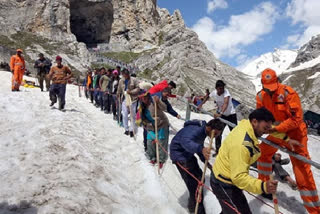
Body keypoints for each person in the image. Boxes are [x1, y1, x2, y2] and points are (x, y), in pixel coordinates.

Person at [256, 68, 320, 213]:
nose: (271, 92)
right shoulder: (260, 97)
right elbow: (259, 115)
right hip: (277, 133)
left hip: (295, 135)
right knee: (262, 153)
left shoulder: (288, 93)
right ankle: (265, 187)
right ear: (262, 85)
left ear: (277, 81)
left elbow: (296, 119)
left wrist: (276, 129)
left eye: (273, 88)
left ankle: (315, 210)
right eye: (268, 89)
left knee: (302, 173)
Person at [211, 108, 278, 214]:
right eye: (265, 128)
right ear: (255, 121)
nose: (266, 132)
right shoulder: (241, 145)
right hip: (224, 182)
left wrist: (287, 138)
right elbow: (238, 177)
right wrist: (263, 186)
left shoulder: (246, 125)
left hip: (228, 177)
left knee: (230, 209)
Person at [170, 119, 224, 214]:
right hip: (179, 156)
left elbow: (199, 146)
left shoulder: (203, 131)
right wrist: (201, 149)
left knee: (200, 177)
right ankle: (196, 209)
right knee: (193, 184)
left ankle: (194, 202)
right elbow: (186, 142)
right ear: (210, 128)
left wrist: (206, 162)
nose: (215, 137)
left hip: (188, 154)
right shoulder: (195, 130)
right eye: (215, 134)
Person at [198, 80, 237, 155]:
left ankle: (235, 152)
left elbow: (226, 103)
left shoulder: (226, 92)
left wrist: (220, 113)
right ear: (216, 88)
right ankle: (218, 151)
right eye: (219, 88)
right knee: (218, 132)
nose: (221, 90)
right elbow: (207, 97)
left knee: (235, 133)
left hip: (231, 115)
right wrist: (201, 104)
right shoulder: (214, 92)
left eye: (222, 88)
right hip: (222, 116)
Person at [117, 69, 140, 137]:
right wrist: (118, 94)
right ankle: (126, 129)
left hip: (133, 99)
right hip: (124, 99)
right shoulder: (121, 81)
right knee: (124, 114)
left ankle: (131, 130)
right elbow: (119, 88)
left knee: (133, 115)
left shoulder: (134, 80)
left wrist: (131, 92)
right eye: (124, 75)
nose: (126, 76)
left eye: (127, 74)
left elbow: (138, 88)